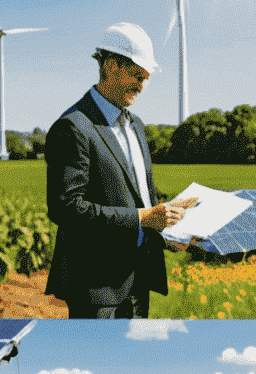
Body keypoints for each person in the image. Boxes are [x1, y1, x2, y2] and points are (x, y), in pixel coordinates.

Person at [44, 23, 193, 318]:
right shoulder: (73, 127)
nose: (141, 86)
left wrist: (170, 227)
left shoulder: (136, 125)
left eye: (146, 79)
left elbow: (141, 198)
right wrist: (143, 217)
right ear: (111, 66)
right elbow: (66, 209)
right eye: (137, 76)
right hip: (97, 288)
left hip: (139, 279)